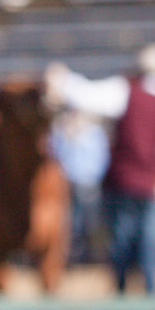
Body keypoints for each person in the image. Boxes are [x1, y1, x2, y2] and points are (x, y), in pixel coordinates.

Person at [47, 44, 155, 295]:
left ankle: (121, 291)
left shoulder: (127, 91)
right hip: (149, 184)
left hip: (123, 183)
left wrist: (64, 78)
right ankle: (152, 293)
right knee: (148, 243)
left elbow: (86, 94)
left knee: (120, 241)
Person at [49, 106, 110, 265]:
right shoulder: (61, 132)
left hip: (88, 183)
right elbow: (55, 155)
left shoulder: (94, 133)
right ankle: (72, 256)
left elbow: (101, 159)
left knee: (91, 221)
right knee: (70, 222)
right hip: (67, 184)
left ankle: (92, 255)